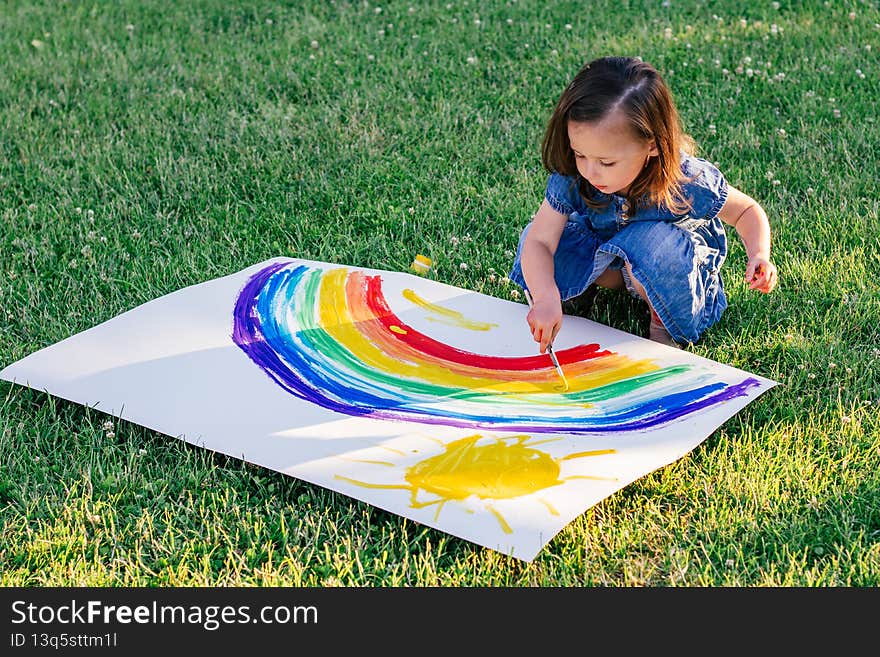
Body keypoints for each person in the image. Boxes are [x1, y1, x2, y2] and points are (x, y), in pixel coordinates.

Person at [509, 55, 777, 349]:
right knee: (536, 241)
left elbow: (746, 211)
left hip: (667, 270)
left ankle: (663, 326)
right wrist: (546, 297)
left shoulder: (685, 180)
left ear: (652, 144)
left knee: (651, 241)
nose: (590, 170)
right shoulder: (576, 176)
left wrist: (759, 254)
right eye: (580, 154)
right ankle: (573, 295)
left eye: (606, 162)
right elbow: (541, 241)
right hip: (612, 264)